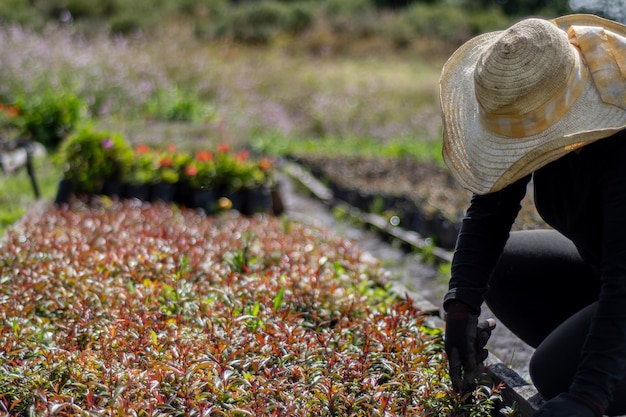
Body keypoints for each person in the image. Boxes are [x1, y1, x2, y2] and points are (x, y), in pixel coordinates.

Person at [439, 13, 626, 416]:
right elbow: (491, 206)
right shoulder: (547, 102)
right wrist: (460, 306)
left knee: (554, 372)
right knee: (505, 269)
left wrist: (589, 395)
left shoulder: (619, 139)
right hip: (605, 273)